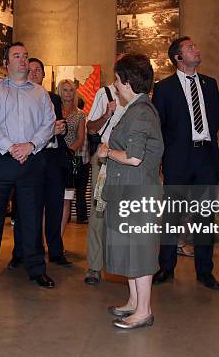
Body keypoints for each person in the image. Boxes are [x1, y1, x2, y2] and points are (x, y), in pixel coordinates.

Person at [0, 43, 56, 290]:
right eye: (17, 56)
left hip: (31, 161)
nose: (23, 60)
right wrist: (11, 147)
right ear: (6, 63)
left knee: (32, 217)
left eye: (25, 56)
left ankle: (37, 270)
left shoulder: (40, 93)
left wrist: (30, 146)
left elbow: (49, 124)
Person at [98, 54, 163, 330]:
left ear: (127, 81)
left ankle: (144, 311)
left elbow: (134, 157)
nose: (114, 85)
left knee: (140, 250)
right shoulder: (139, 108)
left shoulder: (140, 112)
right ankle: (135, 302)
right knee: (132, 249)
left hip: (137, 192)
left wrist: (107, 152)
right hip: (130, 190)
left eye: (116, 79)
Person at [152, 36, 219, 290]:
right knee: (172, 215)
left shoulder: (210, 84)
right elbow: (159, 128)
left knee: (205, 216)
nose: (197, 49)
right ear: (178, 57)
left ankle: (205, 271)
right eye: (191, 47)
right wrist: (161, 162)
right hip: (178, 159)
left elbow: (215, 121)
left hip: (206, 157)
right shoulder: (164, 89)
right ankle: (166, 268)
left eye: (196, 45)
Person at [9, 58, 71, 269]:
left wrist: (60, 130)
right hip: (30, 159)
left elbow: (60, 127)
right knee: (25, 209)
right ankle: (20, 252)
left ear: (44, 74)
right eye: (31, 69)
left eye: (38, 70)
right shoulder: (19, 95)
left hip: (53, 159)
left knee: (54, 207)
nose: (34, 73)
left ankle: (55, 251)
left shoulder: (52, 97)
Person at [83, 78, 126, 285]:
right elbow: (90, 127)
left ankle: (128, 266)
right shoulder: (105, 93)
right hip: (104, 158)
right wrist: (107, 114)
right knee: (98, 211)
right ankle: (94, 266)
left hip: (130, 160)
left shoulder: (140, 97)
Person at [57, 79, 87, 231]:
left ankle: (59, 239)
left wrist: (68, 152)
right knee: (47, 200)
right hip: (52, 158)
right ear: (59, 92)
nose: (68, 93)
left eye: (71, 90)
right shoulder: (52, 111)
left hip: (70, 160)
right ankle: (43, 241)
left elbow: (80, 138)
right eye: (65, 90)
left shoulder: (80, 115)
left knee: (66, 200)